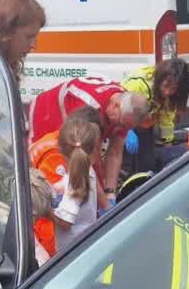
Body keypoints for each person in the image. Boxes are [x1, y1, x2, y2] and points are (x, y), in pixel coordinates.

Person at [28, 77, 146, 207]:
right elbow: (89, 160)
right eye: (120, 124)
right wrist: (104, 204)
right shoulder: (89, 106)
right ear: (115, 105)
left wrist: (110, 193)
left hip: (81, 122)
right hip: (46, 114)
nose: (119, 130)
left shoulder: (124, 107)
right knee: (52, 170)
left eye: (126, 128)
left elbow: (115, 153)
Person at [29, 112, 100, 259]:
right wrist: (48, 189)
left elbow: (66, 222)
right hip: (87, 245)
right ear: (93, 148)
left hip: (72, 254)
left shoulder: (76, 180)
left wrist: (45, 211)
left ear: (59, 148)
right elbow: (63, 186)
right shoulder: (86, 169)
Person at [119, 57, 189, 176]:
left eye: (173, 89)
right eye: (166, 86)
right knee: (125, 166)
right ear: (160, 79)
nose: (168, 92)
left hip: (144, 125)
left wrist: (168, 144)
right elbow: (120, 108)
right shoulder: (138, 84)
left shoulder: (170, 96)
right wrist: (127, 132)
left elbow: (166, 119)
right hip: (123, 123)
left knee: (146, 166)